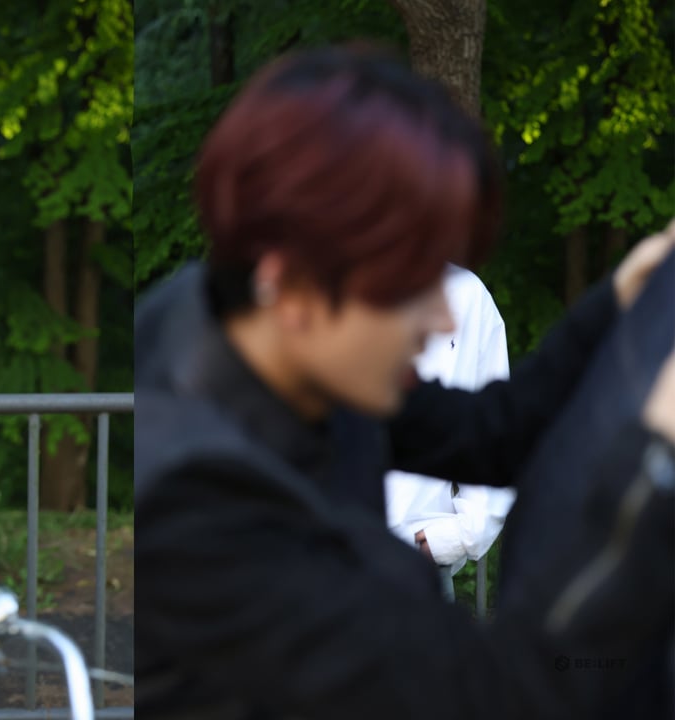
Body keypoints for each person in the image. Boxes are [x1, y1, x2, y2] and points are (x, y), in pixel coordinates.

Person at [134, 45, 675, 719]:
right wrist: (652, 470)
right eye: (413, 284)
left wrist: (622, 304)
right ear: (291, 288)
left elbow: (491, 430)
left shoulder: (268, 344)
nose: (445, 318)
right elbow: (503, 699)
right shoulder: (201, 518)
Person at [384, 265, 515, 599]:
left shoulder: (466, 294)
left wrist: (457, 537)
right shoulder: (319, 274)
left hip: (414, 565)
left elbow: (492, 432)